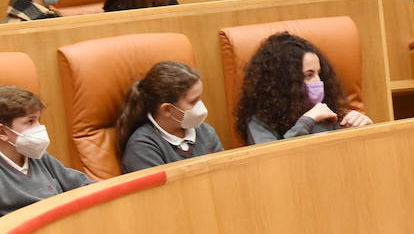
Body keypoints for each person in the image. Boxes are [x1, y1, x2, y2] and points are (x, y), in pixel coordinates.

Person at [235, 32, 373, 144]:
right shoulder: (259, 122)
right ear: (284, 83)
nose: (318, 82)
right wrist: (307, 122)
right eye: (308, 75)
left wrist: (364, 131)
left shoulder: (329, 114)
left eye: (319, 74)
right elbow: (274, 162)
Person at [116, 61, 224, 172]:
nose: (200, 106)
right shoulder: (142, 147)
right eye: (193, 101)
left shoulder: (206, 132)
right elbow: (159, 189)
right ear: (167, 109)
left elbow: (225, 173)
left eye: (200, 98)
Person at [0, 86, 90, 216]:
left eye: (38, 120)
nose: (39, 128)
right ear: (2, 131)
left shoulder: (39, 157)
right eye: (30, 122)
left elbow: (84, 185)